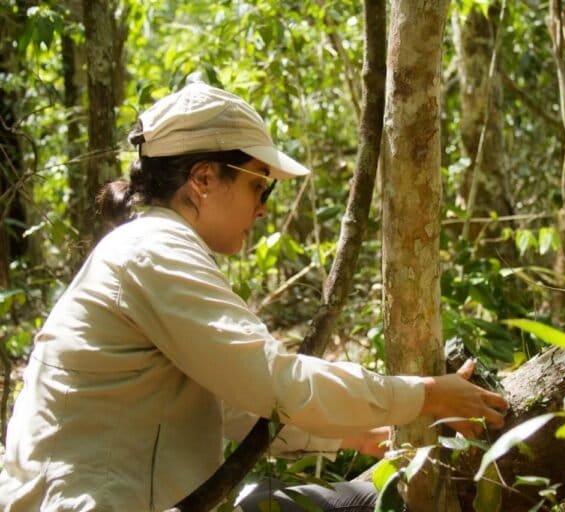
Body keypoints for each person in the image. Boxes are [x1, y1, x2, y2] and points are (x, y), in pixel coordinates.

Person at [0, 82, 508, 512]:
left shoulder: (154, 247)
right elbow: (271, 382)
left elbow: (224, 405)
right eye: (259, 186)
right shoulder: (153, 252)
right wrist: (423, 394)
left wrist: (358, 433)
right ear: (203, 179)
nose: (263, 208)